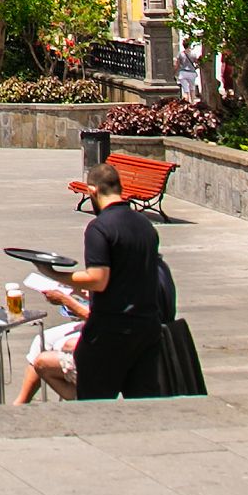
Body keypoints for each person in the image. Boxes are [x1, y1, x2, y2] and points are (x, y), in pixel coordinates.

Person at [69, 160, 169, 399]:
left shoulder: (99, 228)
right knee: (143, 405)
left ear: (92, 191)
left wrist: (55, 274)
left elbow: (98, 279)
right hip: (147, 328)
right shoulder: (145, 225)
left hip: (110, 331)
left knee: (95, 404)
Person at [15, 272, 90, 402]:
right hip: (96, 320)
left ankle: (84, 397)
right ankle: (21, 402)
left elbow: (102, 319)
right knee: (43, 339)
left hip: (109, 330)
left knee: (50, 356)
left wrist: (66, 300)